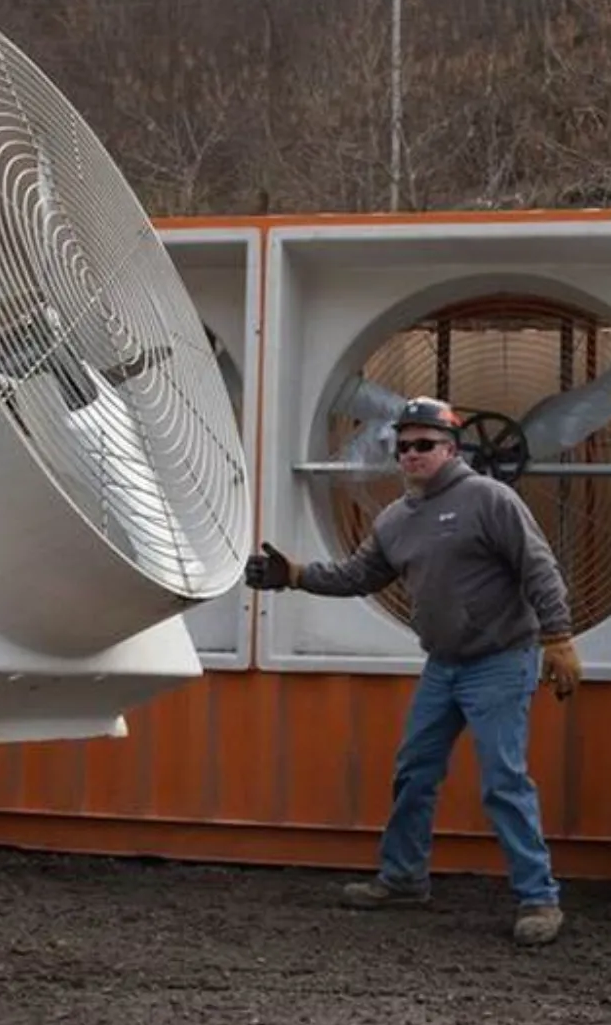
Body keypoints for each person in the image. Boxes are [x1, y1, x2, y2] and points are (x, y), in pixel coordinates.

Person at [246, 396, 583, 948]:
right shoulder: (396, 519)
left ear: (451, 449)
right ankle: (403, 879)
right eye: (402, 446)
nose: (411, 454)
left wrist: (559, 638)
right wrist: (295, 575)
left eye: (423, 444)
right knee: (415, 773)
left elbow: (537, 566)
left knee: (503, 781)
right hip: (444, 666)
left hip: (501, 660)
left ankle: (538, 897)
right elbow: (360, 575)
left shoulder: (489, 499)